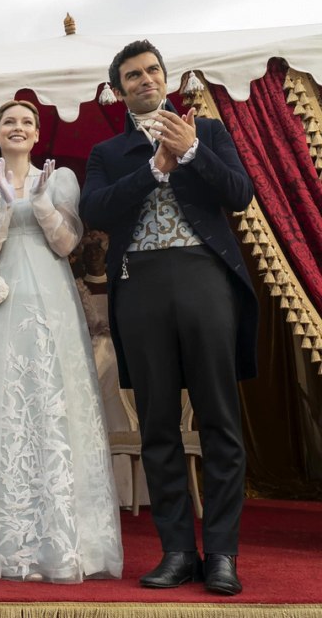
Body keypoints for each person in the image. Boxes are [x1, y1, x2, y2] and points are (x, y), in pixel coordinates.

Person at [80, 40, 258, 595]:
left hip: (205, 278)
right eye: (132, 75)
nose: (145, 79)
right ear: (119, 88)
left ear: (167, 77)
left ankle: (222, 553)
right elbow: (95, 211)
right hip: (139, 286)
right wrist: (155, 169)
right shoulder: (107, 152)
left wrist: (193, 153)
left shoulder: (206, 131)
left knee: (219, 420)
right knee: (156, 424)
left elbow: (241, 194)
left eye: (152, 70)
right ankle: (178, 551)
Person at [0, 100, 123, 583]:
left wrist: (42, 201)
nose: (18, 127)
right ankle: (10, 548)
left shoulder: (61, 180)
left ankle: (71, 545)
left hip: (53, 302)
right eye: (9, 121)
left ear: (36, 136)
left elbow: (67, 244)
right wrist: (5, 208)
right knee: (9, 410)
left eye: (27, 122)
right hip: (3, 305)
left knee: (58, 409)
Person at [74, 232, 151, 509]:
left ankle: (130, 492)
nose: (93, 255)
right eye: (88, 251)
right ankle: (93, 492)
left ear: (106, 254)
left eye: (97, 250)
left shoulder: (119, 283)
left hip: (121, 354)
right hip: (90, 356)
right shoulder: (78, 287)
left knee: (124, 414)